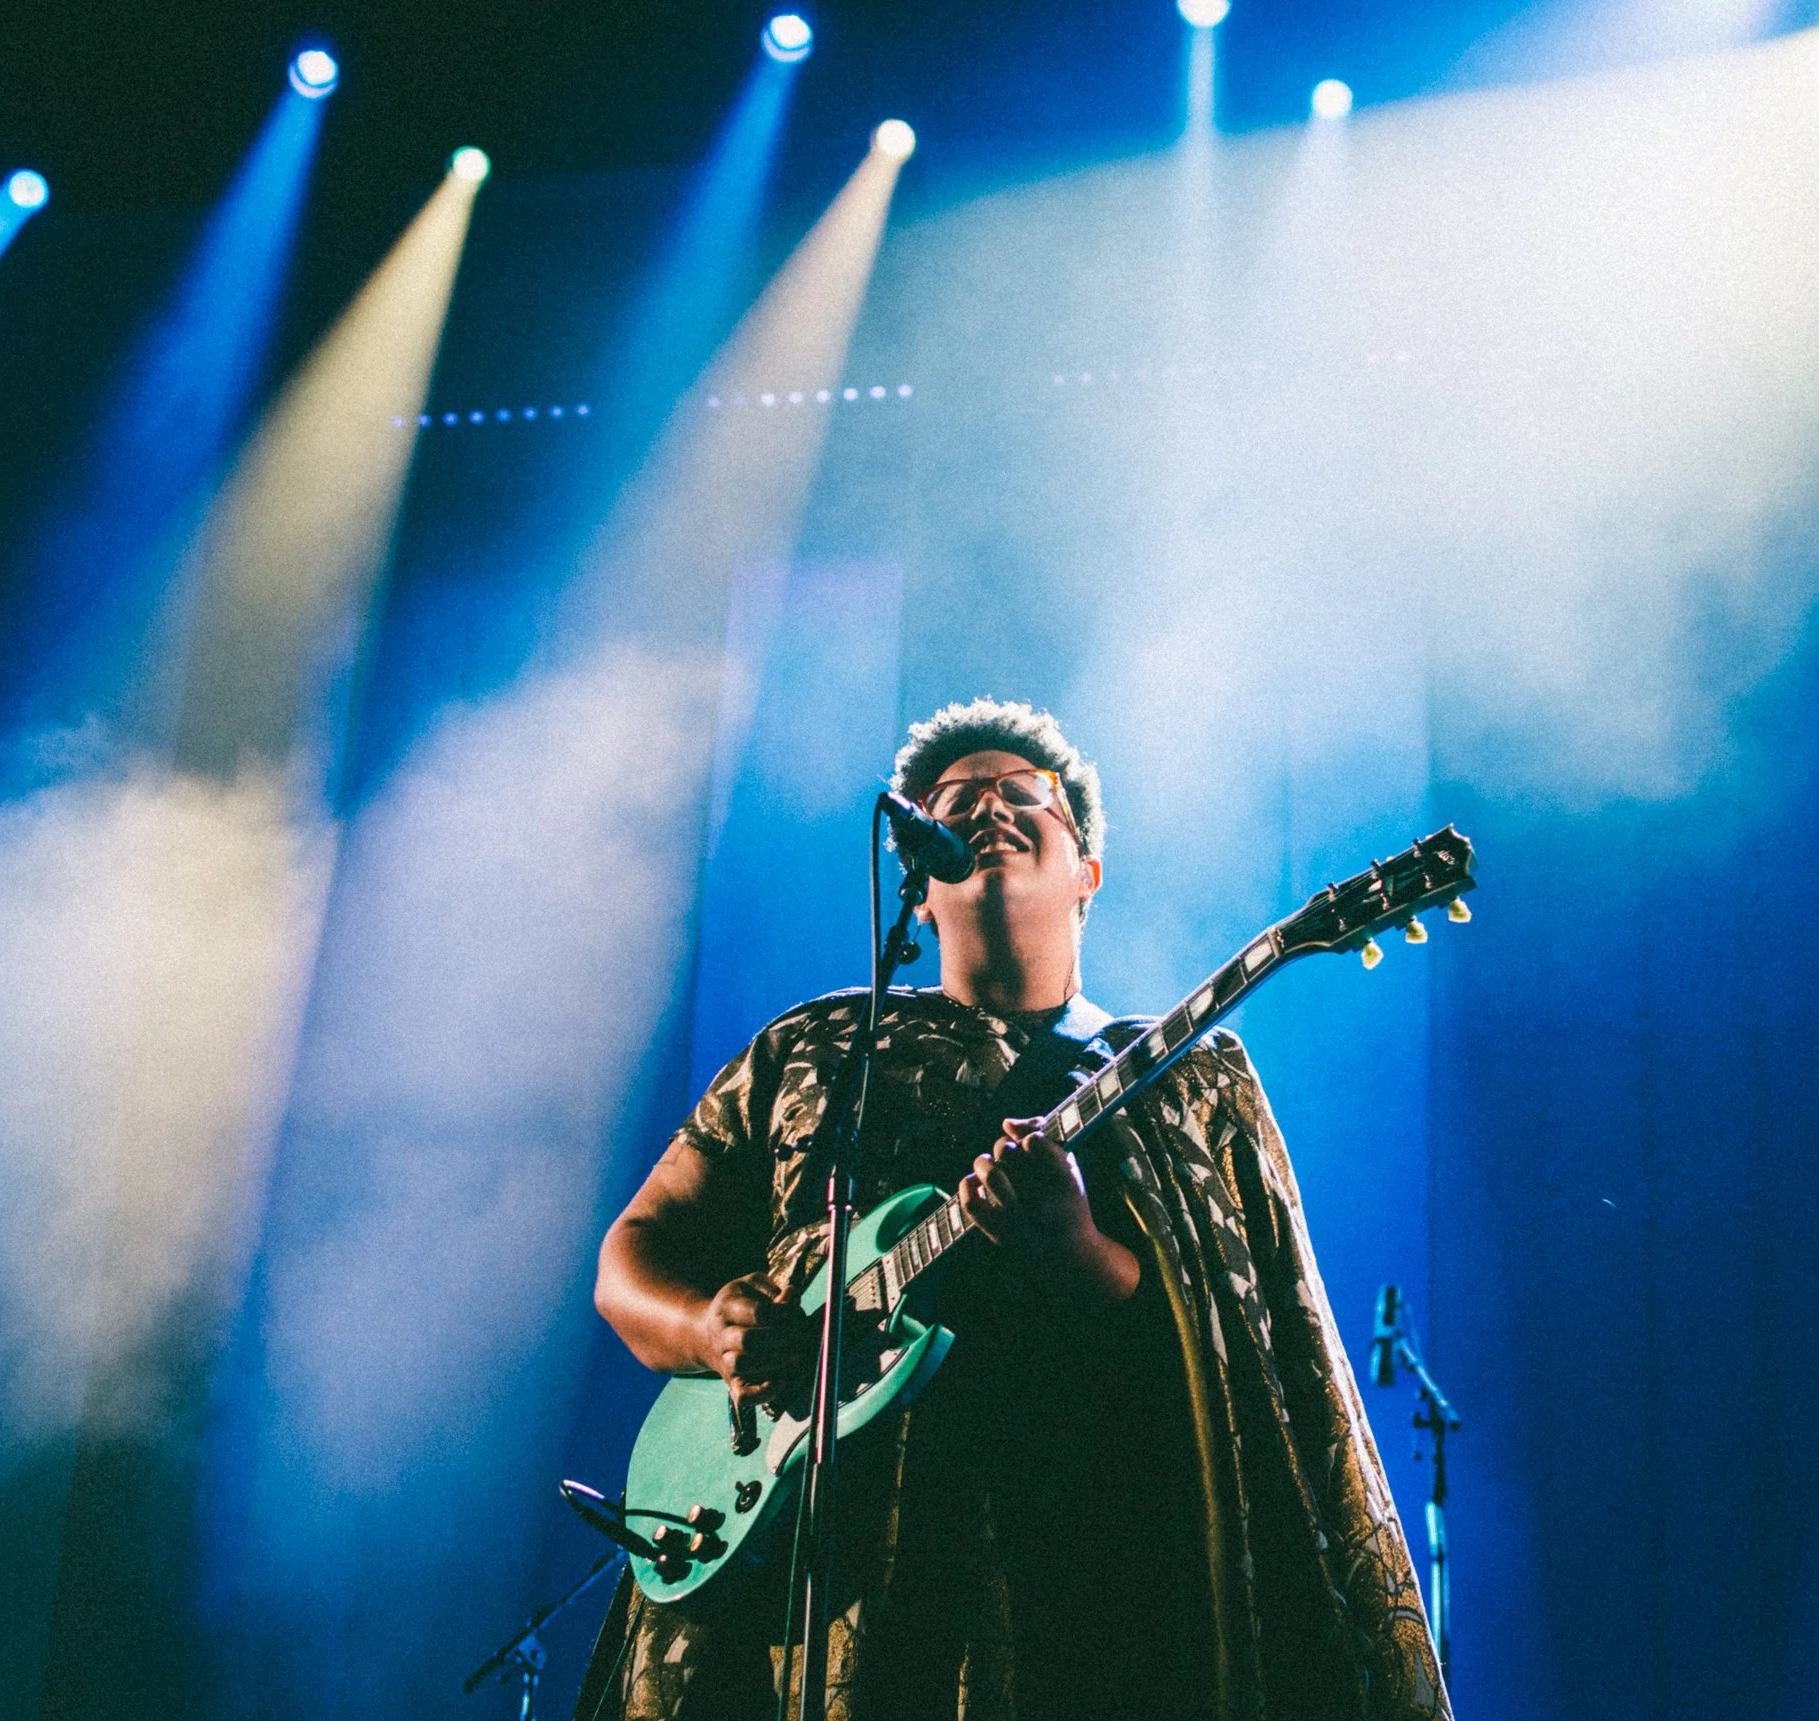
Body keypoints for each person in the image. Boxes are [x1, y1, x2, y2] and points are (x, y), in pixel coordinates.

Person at [577, 698, 1450, 1721]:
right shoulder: (808, 1048)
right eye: (957, 801)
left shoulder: (1190, 1077)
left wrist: (1075, 1244)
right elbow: (631, 1251)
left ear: (1087, 872)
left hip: (1070, 1565)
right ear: (920, 881)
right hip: (804, 1564)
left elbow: (1243, 1349)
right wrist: (702, 1325)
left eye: (1023, 796)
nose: (990, 806)